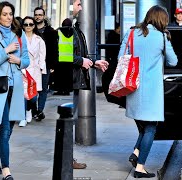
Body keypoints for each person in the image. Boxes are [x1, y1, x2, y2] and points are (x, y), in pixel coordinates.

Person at [119, 5, 178, 178]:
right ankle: (140, 168)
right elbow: (173, 62)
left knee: (144, 126)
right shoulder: (161, 37)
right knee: (151, 128)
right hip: (152, 91)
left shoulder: (131, 33)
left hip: (133, 87)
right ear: (162, 19)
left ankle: (136, 153)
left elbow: (120, 58)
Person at [0, 2, 30, 179]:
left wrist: (18, 61)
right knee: (5, 130)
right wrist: (5, 51)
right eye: (5, 14)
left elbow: (26, 60)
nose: (9, 17)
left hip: (15, 86)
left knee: (10, 127)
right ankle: (6, 170)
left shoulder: (19, 34)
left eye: (11, 14)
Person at [72, 0, 109, 169]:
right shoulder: (66, 28)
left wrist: (93, 63)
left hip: (74, 80)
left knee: (69, 121)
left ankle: (68, 159)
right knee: (67, 122)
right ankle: (68, 159)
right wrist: (82, 61)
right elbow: (61, 56)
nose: (81, 7)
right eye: (78, 4)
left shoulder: (74, 27)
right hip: (67, 82)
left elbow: (78, 54)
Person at [19, 16, 46, 127]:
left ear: (34, 26)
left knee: (33, 96)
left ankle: (29, 109)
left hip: (35, 70)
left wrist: (41, 68)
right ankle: (23, 117)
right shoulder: (19, 39)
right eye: (26, 24)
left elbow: (42, 55)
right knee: (23, 94)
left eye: (31, 24)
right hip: (23, 69)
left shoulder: (39, 40)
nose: (28, 26)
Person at [33, 7, 58, 121]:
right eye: (36, 15)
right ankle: (33, 110)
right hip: (32, 65)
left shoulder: (51, 32)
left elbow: (54, 49)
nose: (38, 17)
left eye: (40, 15)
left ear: (44, 16)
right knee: (32, 89)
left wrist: (53, 66)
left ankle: (39, 111)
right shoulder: (31, 29)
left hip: (46, 65)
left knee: (43, 89)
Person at [101, 22, 126, 107]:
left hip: (115, 61)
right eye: (118, 28)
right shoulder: (114, 37)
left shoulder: (115, 37)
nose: (119, 30)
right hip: (115, 61)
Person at [54, 18, 74, 96]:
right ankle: (67, 90)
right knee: (68, 76)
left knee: (59, 76)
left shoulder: (58, 32)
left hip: (60, 58)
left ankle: (60, 90)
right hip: (71, 58)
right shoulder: (74, 32)